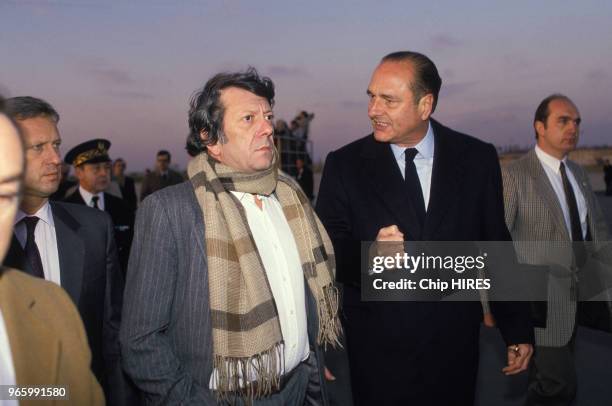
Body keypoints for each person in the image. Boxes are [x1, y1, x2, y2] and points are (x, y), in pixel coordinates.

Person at [316, 51, 534, 406]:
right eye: (371, 96)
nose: (373, 109)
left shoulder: (476, 158)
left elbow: (496, 246)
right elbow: (325, 250)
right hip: (378, 351)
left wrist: (518, 329)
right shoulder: (344, 165)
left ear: (425, 104)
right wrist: (369, 256)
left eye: (388, 100)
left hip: (455, 347)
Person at [120, 68, 341, 405]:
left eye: (268, 116)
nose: (267, 128)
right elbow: (140, 340)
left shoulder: (292, 197)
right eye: (249, 118)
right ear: (210, 138)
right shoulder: (170, 211)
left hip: (299, 390)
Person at [2, 96, 128, 404]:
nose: (56, 159)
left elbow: (112, 333)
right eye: (38, 147)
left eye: (56, 145)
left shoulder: (95, 228)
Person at [502, 94, 612, 406]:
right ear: (540, 127)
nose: (573, 127)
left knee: (548, 384)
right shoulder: (515, 175)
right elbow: (499, 242)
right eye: (563, 120)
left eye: (577, 121)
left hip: (581, 296)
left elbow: (597, 234)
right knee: (557, 385)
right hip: (540, 303)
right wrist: (493, 306)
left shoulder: (577, 174)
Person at [63, 139, 134, 275]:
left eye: (107, 167)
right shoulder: (65, 210)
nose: (103, 173)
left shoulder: (123, 207)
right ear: (79, 173)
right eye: (96, 168)